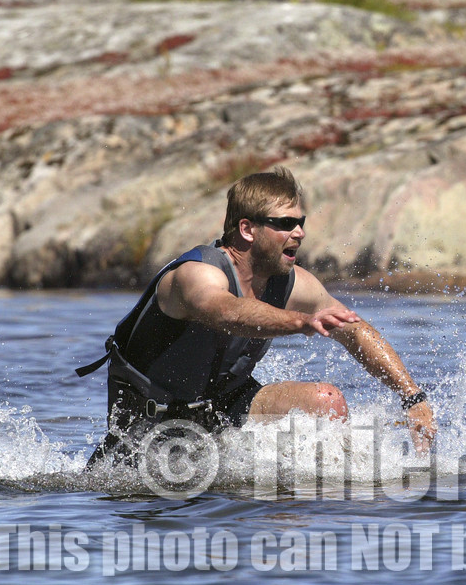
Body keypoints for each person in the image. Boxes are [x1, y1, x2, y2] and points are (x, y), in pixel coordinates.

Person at [80, 168, 436, 459]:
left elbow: (354, 330)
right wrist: (300, 322)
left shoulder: (292, 283)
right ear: (247, 229)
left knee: (325, 402)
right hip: (144, 432)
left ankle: (328, 508)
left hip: (223, 408)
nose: (299, 232)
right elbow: (225, 311)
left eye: (300, 222)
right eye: (283, 223)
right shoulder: (197, 274)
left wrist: (412, 397)